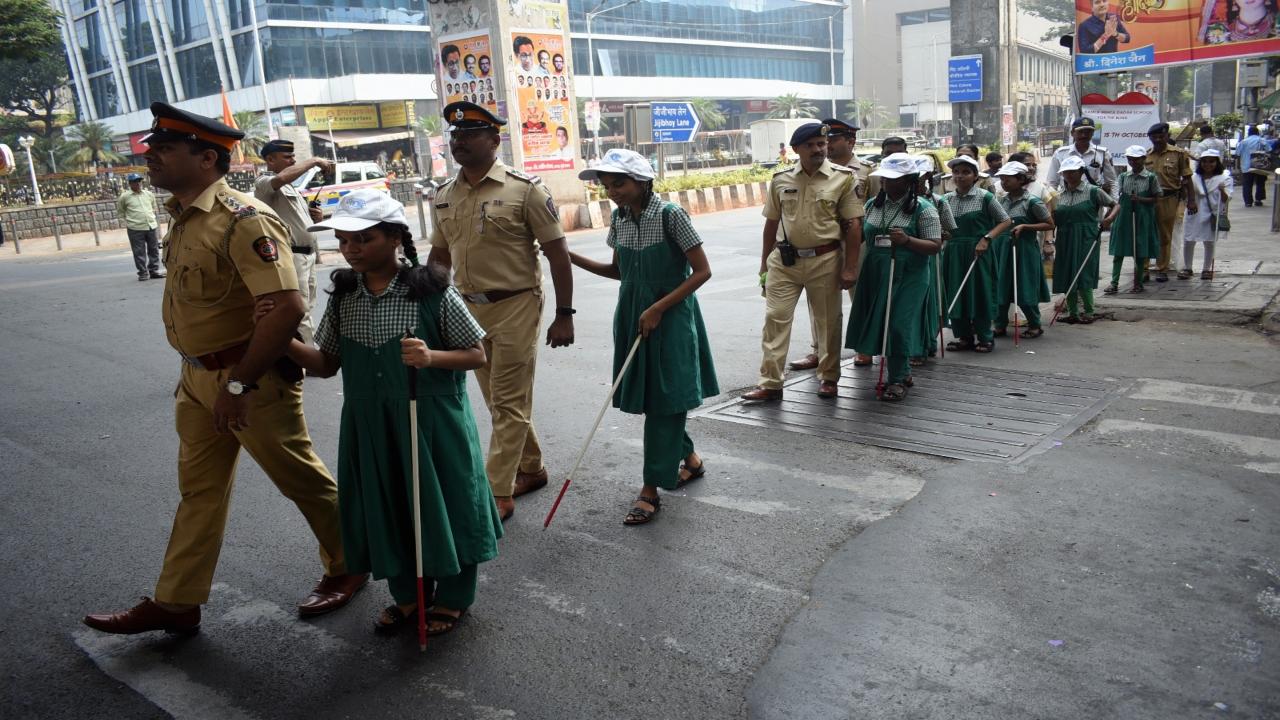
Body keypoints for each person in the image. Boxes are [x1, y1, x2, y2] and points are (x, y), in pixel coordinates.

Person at [83, 102, 367, 637]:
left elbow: (286, 307)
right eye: (155, 149)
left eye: (165, 149)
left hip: (249, 381)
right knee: (200, 491)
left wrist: (237, 382)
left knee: (300, 480)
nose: (153, 158)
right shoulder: (184, 216)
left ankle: (349, 562)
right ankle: (176, 601)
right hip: (197, 378)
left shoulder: (244, 219)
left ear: (207, 158)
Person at [259, 189, 503, 638]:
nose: (350, 249)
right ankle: (407, 597)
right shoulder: (344, 295)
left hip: (431, 422)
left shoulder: (432, 291)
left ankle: (452, 598)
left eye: (362, 239)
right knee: (387, 504)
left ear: (394, 238)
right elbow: (327, 364)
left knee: (444, 506)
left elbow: (475, 355)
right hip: (369, 423)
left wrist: (431, 358)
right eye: (344, 240)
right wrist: (277, 336)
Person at [426, 102, 575, 523]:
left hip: (516, 305)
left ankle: (497, 490)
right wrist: (432, 304)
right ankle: (532, 468)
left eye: (469, 135)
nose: (459, 142)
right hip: (467, 310)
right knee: (497, 401)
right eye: (455, 136)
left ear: (494, 140)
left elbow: (558, 254)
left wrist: (564, 313)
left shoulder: (525, 189)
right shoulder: (445, 195)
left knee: (508, 400)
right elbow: (439, 257)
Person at [569, 149, 718, 524]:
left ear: (642, 181)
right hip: (633, 317)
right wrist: (569, 256)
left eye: (618, 183)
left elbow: (701, 272)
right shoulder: (618, 219)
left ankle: (650, 489)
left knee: (666, 399)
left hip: (669, 318)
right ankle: (690, 459)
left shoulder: (671, 215)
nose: (612, 191)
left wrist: (657, 308)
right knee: (655, 398)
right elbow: (619, 271)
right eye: (606, 185)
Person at [742, 122, 862, 402]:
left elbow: (854, 225)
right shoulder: (781, 179)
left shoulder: (843, 178)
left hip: (826, 259)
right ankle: (771, 383)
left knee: (828, 322)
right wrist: (764, 265)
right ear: (796, 149)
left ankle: (829, 378)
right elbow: (771, 224)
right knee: (775, 319)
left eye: (822, 144)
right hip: (784, 262)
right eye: (811, 145)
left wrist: (850, 267)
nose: (819, 149)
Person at [845, 153, 942, 401]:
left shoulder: (925, 209)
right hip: (876, 271)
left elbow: (935, 245)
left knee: (898, 325)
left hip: (909, 273)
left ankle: (896, 379)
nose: (887, 183)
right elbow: (861, 237)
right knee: (879, 323)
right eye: (885, 178)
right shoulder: (871, 206)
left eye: (894, 179)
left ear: (909, 180)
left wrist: (908, 240)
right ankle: (903, 372)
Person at [790, 117, 870, 372]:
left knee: (860, 297)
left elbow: (880, 208)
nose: (827, 146)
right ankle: (818, 351)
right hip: (824, 245)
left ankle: (865, 348)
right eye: (827, 141)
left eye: (833, 140)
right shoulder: (813, 171)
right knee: (818, 302)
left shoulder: (867, 171)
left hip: (857, 243)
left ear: (850, 141)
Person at [254, 140, 332, 343]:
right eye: (287, 157)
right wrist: (314, 161)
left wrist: (315, 217)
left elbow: (296, 220)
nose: (293, 160)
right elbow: (280, 178)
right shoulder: (264, 183)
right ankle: (308, 357)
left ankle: (302, 353)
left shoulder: (290, 188)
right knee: (300, 311)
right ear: (270, 160)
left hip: (307, 255)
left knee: (307, 307)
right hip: (291, 256)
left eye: (293, 156)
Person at [942, 155, 1012, 353]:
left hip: (978, 251)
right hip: (954, 253)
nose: (960, 176)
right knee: (957, 292)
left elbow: (1005, 221)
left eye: (966, 172)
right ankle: (964, 337)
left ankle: (985, 336)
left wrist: (987, 239)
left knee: (980, 292)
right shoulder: (946, 199)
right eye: (956, 172)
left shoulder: (985, 197)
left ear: (975, 176)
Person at [1052, 156, 1118, 325]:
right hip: (1064, 237)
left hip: (1086, 236)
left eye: (1073, 171)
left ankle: (1089, 311)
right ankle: (1073, 312)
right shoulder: (1060, 195)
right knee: (1068, 272)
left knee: (1084, 272)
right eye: (1066, 172)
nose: (1069, 175)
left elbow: (1115, 205)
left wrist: (1109, 219)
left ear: (1081, 172)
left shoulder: (1093, 191)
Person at [992, 162, 1054, 338]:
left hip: (1024, 250)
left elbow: (1049, 224)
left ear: (1021, 179)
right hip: (1002, 249)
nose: (1004, 183)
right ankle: (999, 324)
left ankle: (1035, 324)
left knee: (1025, 285)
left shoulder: (1032, 202)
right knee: (1001, 286)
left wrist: (1026, 226)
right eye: (1002, 179)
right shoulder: (1001, 200)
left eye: (1008, 179)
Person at [1106, 145, 1159, 294]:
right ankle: (1114, 283)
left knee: (1140, 252)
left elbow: (1156, 198)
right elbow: (1118, 197)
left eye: (1136, 159)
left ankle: (1138, 282)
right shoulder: (1123, 177)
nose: (1133, 162)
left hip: (1142, 217)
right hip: (1124, 217)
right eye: (1130, 159)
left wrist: (1140, 199)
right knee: (1118, 251)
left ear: (1143, 159)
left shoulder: (1151, 177)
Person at [1145, 122, 1194, 282]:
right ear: (1150, 138)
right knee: (1145, 234)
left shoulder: (1179, 154)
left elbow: (1187, 179)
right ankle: (1143, 268)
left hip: (1169, 198)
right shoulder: (1146, 155)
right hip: (1147, 199)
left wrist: (1191, 200)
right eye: (1154, 137)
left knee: (1164, 235)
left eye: (1161, 136)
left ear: (1167, 136)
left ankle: (1162, 268)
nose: (1158, 139)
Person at [1183, 149, 1233, 280]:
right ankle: (1188, 268)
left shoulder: (1224, 178)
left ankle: (1206, 269)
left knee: (1209, 242)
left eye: (1211, 162)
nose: (1208, 164)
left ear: (1217, 163)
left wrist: (1222, 190)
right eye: (1204, 161)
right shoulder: (1193, 177)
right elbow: (1186, 195)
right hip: (1194, 211)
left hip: (1212, 213)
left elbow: (1226, 199)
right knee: (1189, 239)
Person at [1047, 117, 1116, 196]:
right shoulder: (1060, 154)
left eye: (1088, 132)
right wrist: (1052, 205)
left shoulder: (1102, 153)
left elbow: (1112, 182)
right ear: (1072, 133)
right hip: (1067, 202)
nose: (1084, 135)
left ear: (1093, 133)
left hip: (1093, 202)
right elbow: (1052, 183)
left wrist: (1113, 204)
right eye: (1080, 132)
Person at [117, 172, 164, 282]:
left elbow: (153, 207)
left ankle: (154, 270)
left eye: (139, 181)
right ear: (130, 184)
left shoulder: (148, 194)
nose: (137, 184)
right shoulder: (124, 197)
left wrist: (151, 217)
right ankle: (143, 273)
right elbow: (121, 212)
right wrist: (128, 223)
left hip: (150, 226)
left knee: (154, 250)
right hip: (135, 228)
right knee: (139, 252)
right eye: (134, 182)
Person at [1237, 125, 1270, 207]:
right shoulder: (1262, 140)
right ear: (1258, 132)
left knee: (1247, 184)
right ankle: (1258, 200)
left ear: (1249, 133)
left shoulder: (1244, 142)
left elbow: (1238, 153)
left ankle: (1248, 202)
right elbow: (1269, 149)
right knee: (1260, 183)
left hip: (1246, 166)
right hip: (1260, 165)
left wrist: (1239, 167)